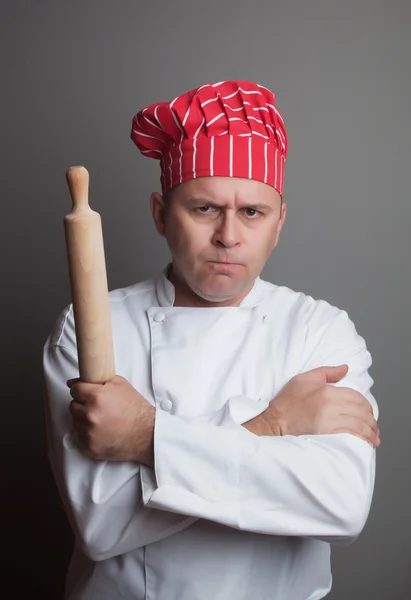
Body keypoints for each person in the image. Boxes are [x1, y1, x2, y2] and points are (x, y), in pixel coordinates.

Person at [43, 80, 379, 600]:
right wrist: (273, 424)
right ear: (159, 214)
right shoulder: (91, 327)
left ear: (279, 223)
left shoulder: (320, 331)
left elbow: (341, 504)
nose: (228, 235)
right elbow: (101, 525)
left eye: (252, 212)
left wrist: (144, 436)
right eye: (204, 209)